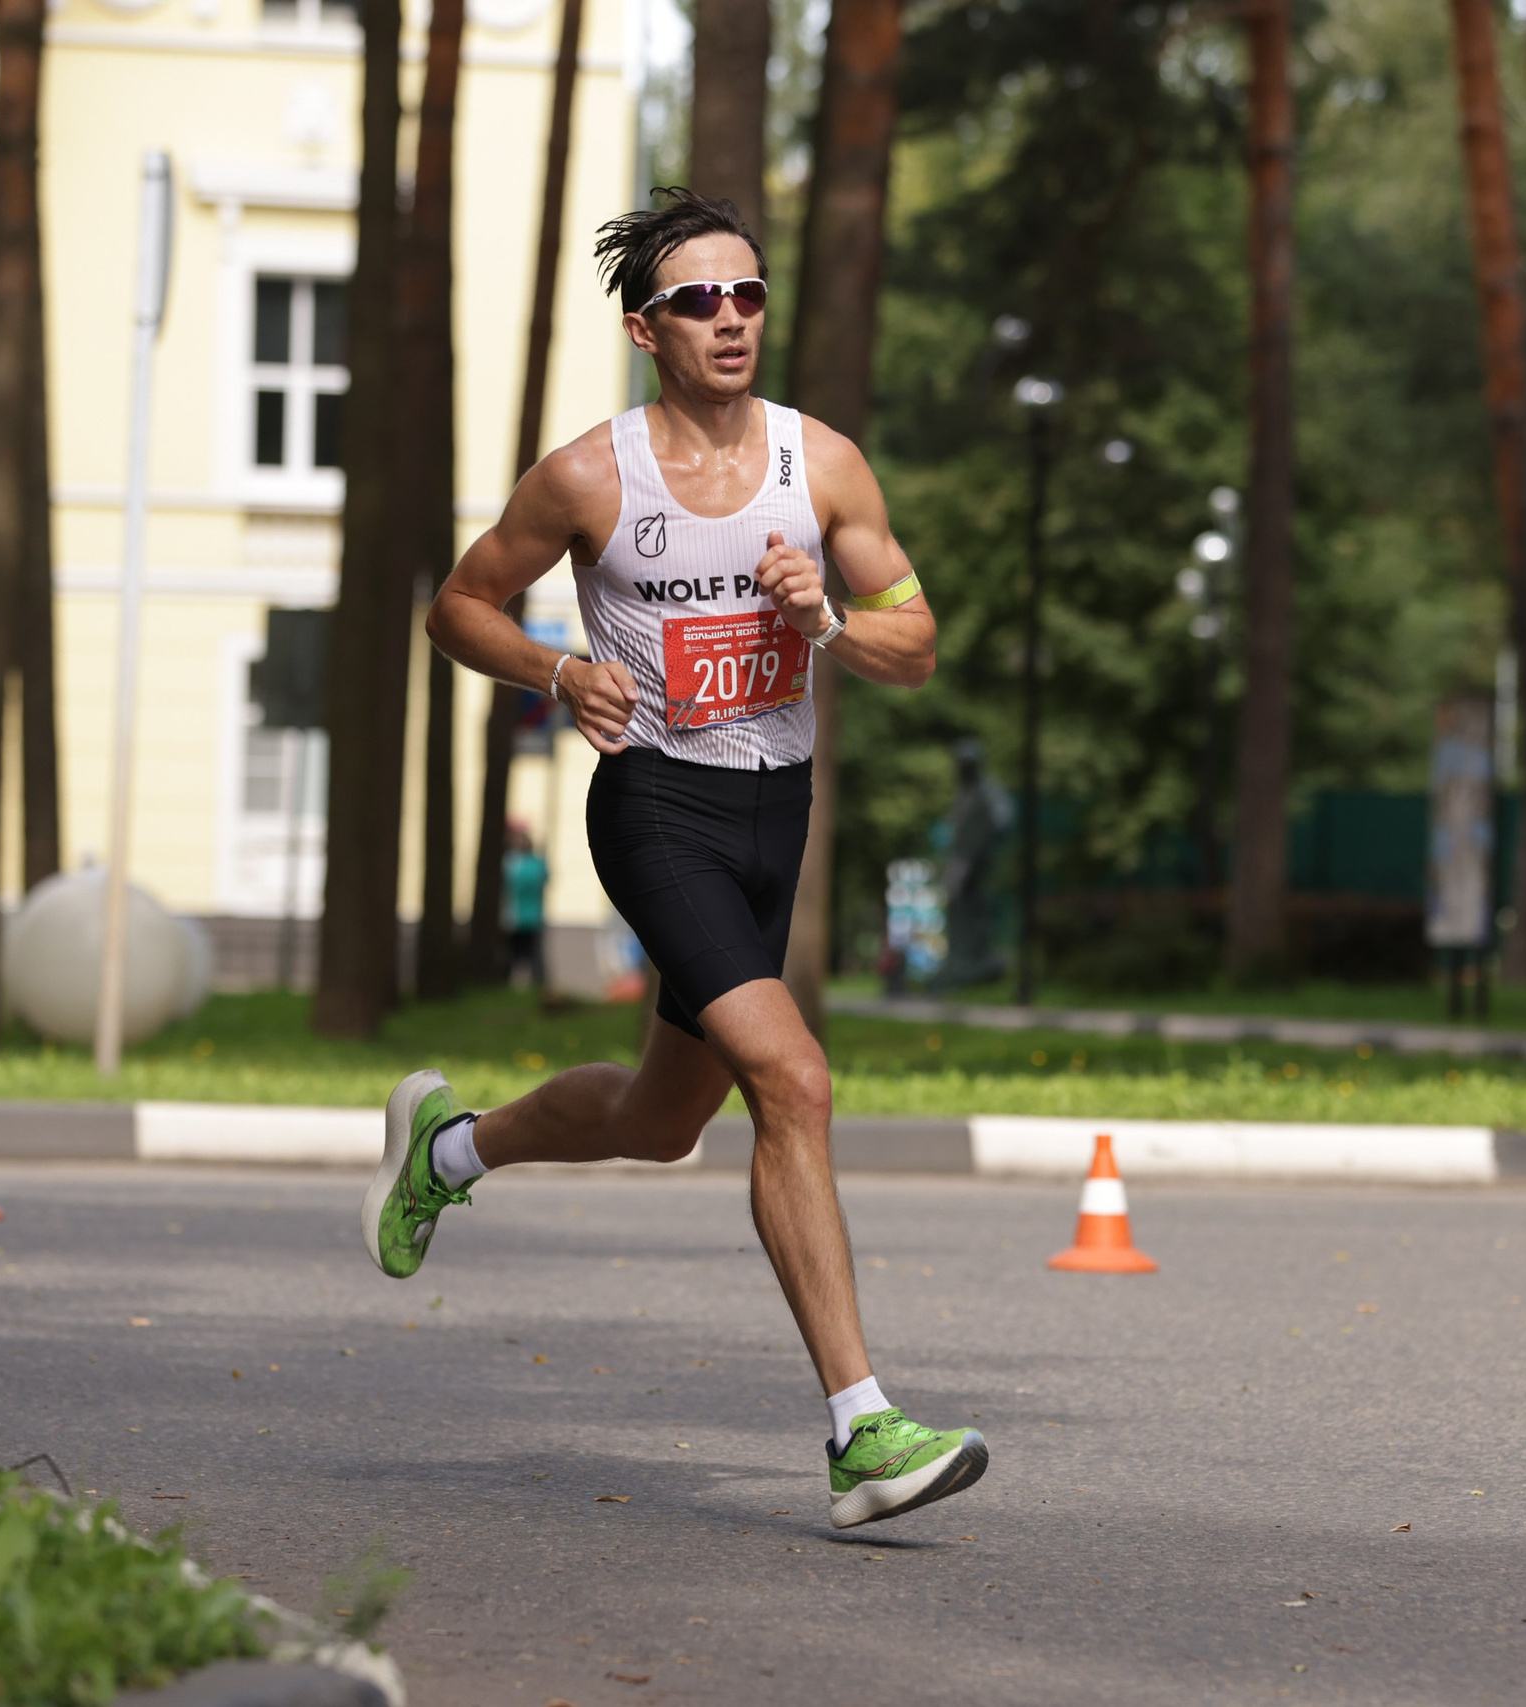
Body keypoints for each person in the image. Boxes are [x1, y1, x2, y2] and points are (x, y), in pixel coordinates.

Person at [366, 187, 979, 1531]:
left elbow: (918, 644)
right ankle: (862, 1428)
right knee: (794, 1076)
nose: (732, 318)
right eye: (701, 299)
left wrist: (828, 621)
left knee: (661, 1121)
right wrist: (553, 667)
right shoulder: (591, 474)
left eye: (750, 293)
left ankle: (449, 1149)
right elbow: (457, 603)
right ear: (649, 329)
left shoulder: (821, 467)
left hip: (776, 815)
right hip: (655, 807)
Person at [502, 822, 549, 990]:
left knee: (516, 953)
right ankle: (533, 983)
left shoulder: (510, 863)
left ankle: (517, 983)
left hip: (516, 916)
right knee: (530, 953)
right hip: (529, 916)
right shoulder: (537, 864)